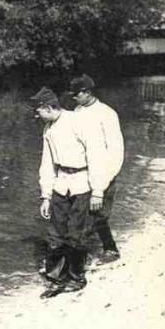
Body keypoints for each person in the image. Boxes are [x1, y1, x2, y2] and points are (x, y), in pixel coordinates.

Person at [32, 87, 105, 299]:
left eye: (38, 110)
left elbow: (96, 156)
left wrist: (98, 191)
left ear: (48, 107)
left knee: (77, 234)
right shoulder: (48, 129)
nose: (36, 115)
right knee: (55, 234)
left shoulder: (79, 122)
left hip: (83, 183)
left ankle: (76, 277)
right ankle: (57, 279)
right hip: (60, 184)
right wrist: (46, 195)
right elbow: (46, 164)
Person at [69, 74, 124, 265]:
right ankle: (84, 255)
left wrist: (102, 183)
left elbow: (116, 151)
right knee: (84, 217)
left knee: (97, 216)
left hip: (103, 172)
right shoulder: (77, 111)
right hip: (84, 173)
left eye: (76, 94)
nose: (73, 97)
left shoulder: (107, 114)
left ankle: (108, 252)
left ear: (87, 92)